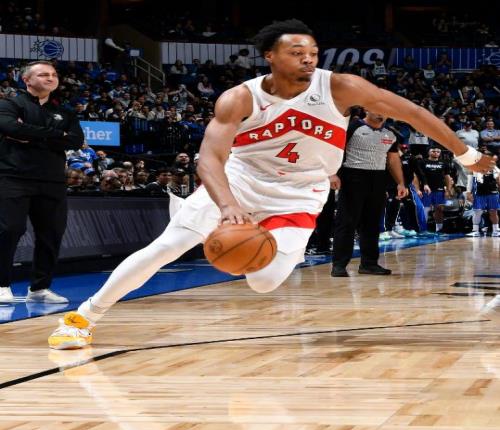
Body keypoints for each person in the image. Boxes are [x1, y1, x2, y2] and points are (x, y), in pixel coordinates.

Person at [48, 19, 495, 349]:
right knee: (167, 247)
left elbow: (414, 113)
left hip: (301, 192)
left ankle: (242, 236)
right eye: (297, 52)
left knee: (263, 281)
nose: (308, 59)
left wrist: (467, 155)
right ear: (270, 56)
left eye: (313, 52)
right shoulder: (240, 97)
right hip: (241, 182)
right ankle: (83, 318)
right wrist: (228, 206)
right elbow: (210, 159)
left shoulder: (340, 87)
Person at [0, 60, 84, 303]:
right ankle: (2, 285)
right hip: (13, 176)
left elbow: (75, 141)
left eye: (53, 74)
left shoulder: (66, 112)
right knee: (9, 229)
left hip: (52, 180)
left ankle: (39, 288)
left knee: (51, 234)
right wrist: (58, 135)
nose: (50, 78)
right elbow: (9, 128)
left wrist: (30, 133)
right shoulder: (9, 104)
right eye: (43, 74)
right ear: (26, 79)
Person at [331, 112, 407, 277]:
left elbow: (393, 159)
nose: (381, 114)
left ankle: (369, 264)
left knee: (372, 224)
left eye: (384, 112)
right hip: (353, 176)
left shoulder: (390, 134)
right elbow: (335, 149)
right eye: (377, 110)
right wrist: (332, 173)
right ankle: (339, 265)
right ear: (367, 108)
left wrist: (400, 183)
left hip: (378, 178)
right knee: (347, 222)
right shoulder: (352, 127)